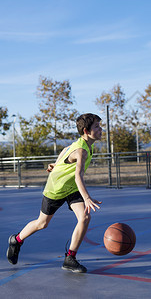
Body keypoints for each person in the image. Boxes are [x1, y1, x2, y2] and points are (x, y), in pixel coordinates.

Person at [7, 113, 102, 273]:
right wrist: (86, 197)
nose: (101, 129)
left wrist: (56, 164)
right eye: (97, 127)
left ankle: (70, 258)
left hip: (71, 189)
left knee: (85, 217)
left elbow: (65, 150)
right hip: (55, 189)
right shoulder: (81, 151)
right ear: (86, 131)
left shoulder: (83, 145)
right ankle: (16, 240)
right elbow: (78, 175)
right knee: (42, 223)